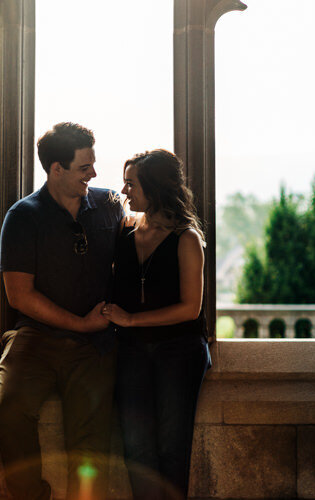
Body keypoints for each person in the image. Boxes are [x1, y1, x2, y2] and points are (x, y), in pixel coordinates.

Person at [0, 122, 124, 500]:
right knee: (9, 414)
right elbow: (19, 296)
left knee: (90, 444)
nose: (94, 174)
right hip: (36, 338)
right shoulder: (23, 216)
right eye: (85, 168)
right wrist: (79, 324)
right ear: (56, 169)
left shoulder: (110, 205)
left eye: (93, 165)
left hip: (95, 346)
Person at [102, 149, 210, 500]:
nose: (124, 190)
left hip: (178, 350)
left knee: (171, 447)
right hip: (131, 350)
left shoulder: (187, 239)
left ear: (155, 188)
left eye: (132, 184)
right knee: (136, 449)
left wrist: (131, 319)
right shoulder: (125, 231)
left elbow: (190, 309)